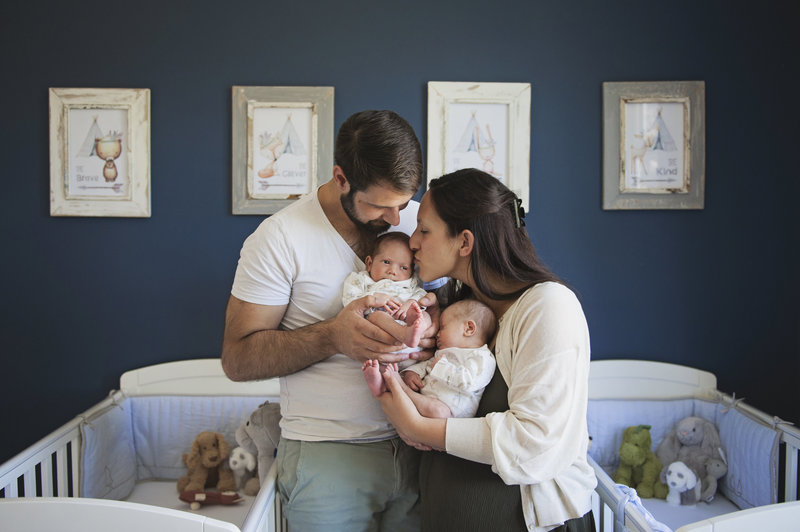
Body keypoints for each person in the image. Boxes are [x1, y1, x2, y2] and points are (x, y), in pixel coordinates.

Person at [221, 110, 435, 532]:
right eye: (380, 205)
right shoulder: (279, 239)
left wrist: (432, 330)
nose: (396, 220)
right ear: (341, 178)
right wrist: (332, 337)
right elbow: (237, 358)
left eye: (403, 204)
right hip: (328, 458)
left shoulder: (416, 224)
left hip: (419, 450)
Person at [375, 168, 597, 532]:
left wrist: (417, 425)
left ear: (464, 243)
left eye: (424, 230)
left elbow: (534, 443)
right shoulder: (459, 310)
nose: (411, 242)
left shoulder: (547, 308)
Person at [363, 298, 496, 420]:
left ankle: (399, 387)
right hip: (422, 403)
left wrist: (441, 367)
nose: (437, 334)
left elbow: (469, 382)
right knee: (408, 403)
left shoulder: (482, 357)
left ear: (469, 328)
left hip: (450, 416)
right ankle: (381, 387)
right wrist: (412, 372)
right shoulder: (444, 353)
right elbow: (428, 364)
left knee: (439, 411)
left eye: (442, 327)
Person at [342, 231, 437, 351]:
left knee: (425, 315)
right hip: (381, 332)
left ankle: (417, 331)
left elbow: (421, 294)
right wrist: (373, 298)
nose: (393, 271)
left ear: (411, 272)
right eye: (386, 262)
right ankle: (403, 333)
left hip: (410, 333)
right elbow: (349, 302)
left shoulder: (411, 282)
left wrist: (412, 302)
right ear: (369, 263)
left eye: (403, 268)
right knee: (376, 316)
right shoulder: (360, 279)